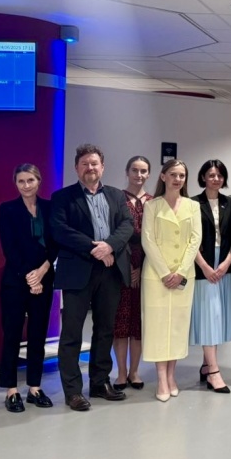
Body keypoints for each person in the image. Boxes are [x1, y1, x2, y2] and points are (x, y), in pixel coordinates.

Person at [52, 144, 134, 412]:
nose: (90, 168)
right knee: (72, 332)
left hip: (111, 271)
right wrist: (95, 249)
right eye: (85, 163)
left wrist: (109, 246)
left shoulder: (116, 195)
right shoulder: (62, 197)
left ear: (103, 167)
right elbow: (60, 230)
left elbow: (127, 225)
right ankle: (73, 391)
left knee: (105, 329)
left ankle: (99, 382)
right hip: (78, 271)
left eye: (94, 163)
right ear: (76, 168)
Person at [0, 163, 58, 412]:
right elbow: (9, 248)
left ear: (38, 181)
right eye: (21, 181)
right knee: (12, 334)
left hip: (45, 278)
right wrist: (30, 277)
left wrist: (42, 272)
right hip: (15, 280)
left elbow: (55, 244)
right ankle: (11, 390)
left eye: (30, 180)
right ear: (16, 183)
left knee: (37, 335)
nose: (26, 185)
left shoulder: (50, 208)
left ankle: (34, 387)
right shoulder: (7, 209)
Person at [141, 159, 203, 402]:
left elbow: (195, 240)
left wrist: (181, 271)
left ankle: (171, 375)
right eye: (174, 174)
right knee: (157, 326)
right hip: (156, 276)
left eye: (182, 175)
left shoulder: (193, 206)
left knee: (177, 326)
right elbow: (148, 240)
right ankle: (161, 379)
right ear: (163, 176)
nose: (178, 179)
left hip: (183, 275)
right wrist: (165, 272)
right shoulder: (152, 206)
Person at [190, 160, 231, 394]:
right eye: (211, 175)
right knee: (209, 317)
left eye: (220, 175)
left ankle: (206, 365)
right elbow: (189, 240)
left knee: (218, 318)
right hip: (203, 264)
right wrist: (205, 267)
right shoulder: (192, 203)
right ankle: (214, 372)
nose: (216, 179)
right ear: (203, 177)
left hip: (226, 265)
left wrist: (227, 263)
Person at [114, 155, 151, 391]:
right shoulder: (117, 198)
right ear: (127, 172)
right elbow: (115, 232)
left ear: (149, 174)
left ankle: (135, 371)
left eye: (143, 171)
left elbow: (155, 238)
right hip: (120, 266)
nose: (139, 175)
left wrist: (141, 267)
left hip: (147, 267)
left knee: (138, 323)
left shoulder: (154, 202)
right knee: (120, 321)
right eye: (135, 170)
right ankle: (120, 372)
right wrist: (128, 266)